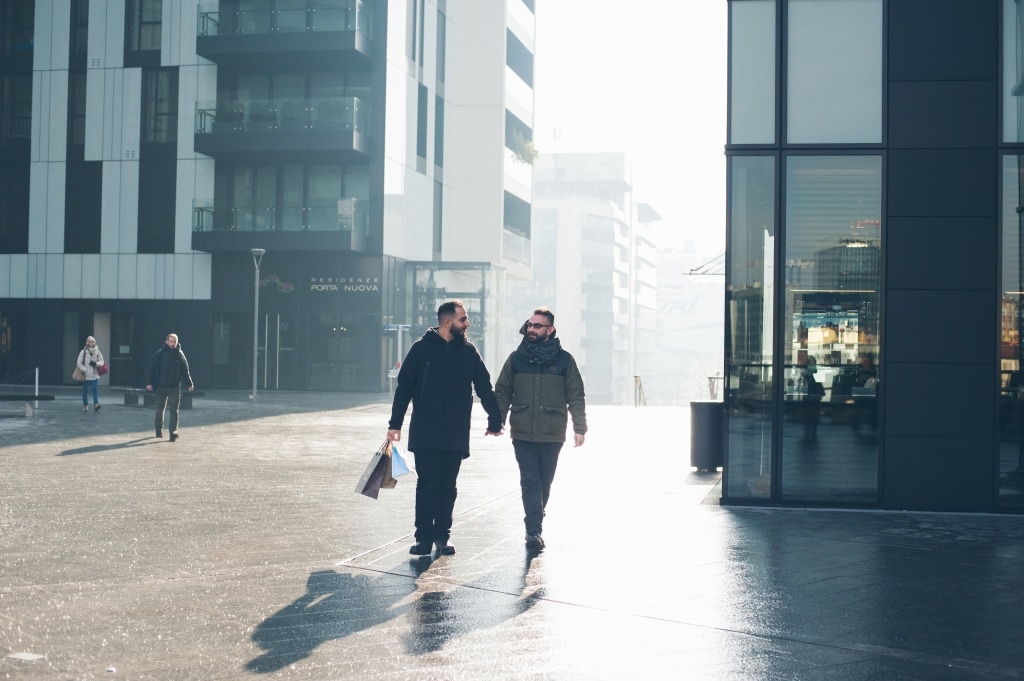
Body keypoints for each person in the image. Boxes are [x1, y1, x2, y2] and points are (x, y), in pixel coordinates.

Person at [387, 301, 503, 557]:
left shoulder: (469, 352)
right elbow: (404, 388)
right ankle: (423, 539)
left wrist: (495, 419)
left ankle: (442, 536)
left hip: (455, 431)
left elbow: (484, 387)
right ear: (448, 322)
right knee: (427, 483)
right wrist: (395, 424)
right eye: (463, 319)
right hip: (425, 430)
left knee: (448, 486)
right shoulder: (420, 349)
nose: (467, 323)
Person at [494, 307, 587, 551]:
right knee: (530, 480)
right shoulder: (516, 358)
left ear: (550, 330)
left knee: (545, 482)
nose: (531, 329)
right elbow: (502, 391)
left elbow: (576, 394)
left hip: (552, 432)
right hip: (522, 430)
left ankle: (536, 513)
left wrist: (579, 427)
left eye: (537, 325)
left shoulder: (564, 360)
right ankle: (533, 531)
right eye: (530, 325)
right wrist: (498, 419)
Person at [146, 333, 194, 442]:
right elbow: (150, 368)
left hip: (174, 387)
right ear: (167, 341)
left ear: (177, 342)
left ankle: (173, 432)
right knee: (160, 409)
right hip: (161, 386)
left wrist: (189, 384)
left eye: (174, 342)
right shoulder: (159, 354)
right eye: (171, 341)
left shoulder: (180, 355)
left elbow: (185, 371)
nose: (172, 344)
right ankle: (158, 429)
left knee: (174, 410)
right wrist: (148, 383)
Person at [76, 336, 106, 412]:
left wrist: (96, 363)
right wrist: (85, 369)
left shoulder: (97, 351)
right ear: (87, 343)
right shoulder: (83, 352)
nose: (91, 343)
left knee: (95, 389)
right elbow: (79, 363)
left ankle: (96, 404)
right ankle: (85, 405)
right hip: (86, 374)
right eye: (90, 342)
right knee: (85, 390)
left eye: (93, 342)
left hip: (95, 373)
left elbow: (102, 362)